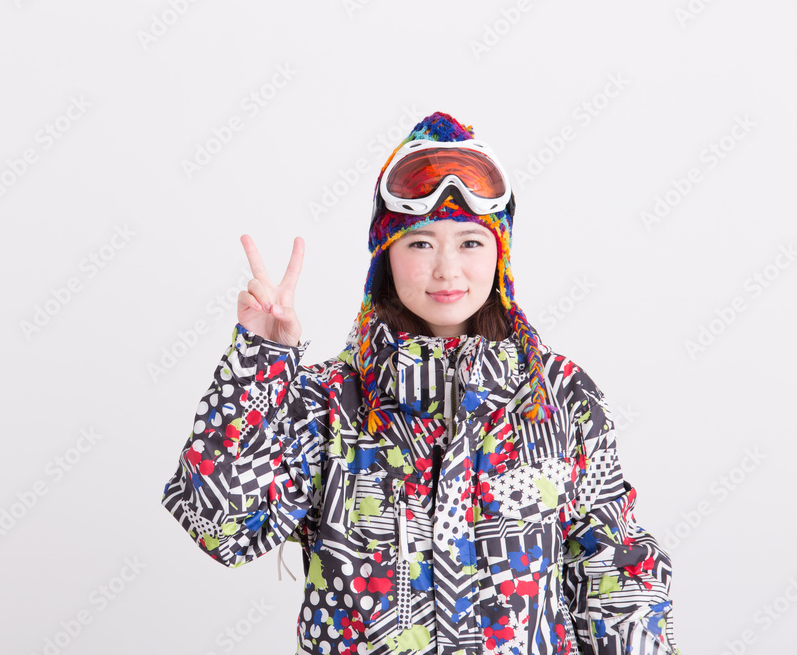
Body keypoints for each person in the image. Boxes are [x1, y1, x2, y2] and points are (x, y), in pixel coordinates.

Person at [160, 111, 681, 655]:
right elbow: (220, 528)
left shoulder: (558, 396)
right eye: (420, 243)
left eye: (470, 243)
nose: (447, 269)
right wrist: (259, 360)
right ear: (385, 257)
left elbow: (614, 570)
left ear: (499, 254)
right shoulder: (330, 402)